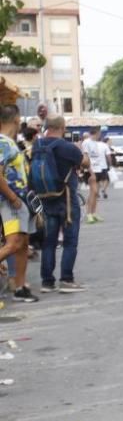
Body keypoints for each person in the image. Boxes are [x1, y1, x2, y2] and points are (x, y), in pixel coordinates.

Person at [35, 116, 86, 293]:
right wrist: (81, 150)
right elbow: (84, 163)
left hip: (46, 199)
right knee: (70, 241)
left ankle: (47, 282)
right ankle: (66, 279)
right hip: (67, 200)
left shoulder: (37, 145)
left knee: (49, 242)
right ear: (62, 128)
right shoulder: (68, 147)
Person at [0, 105, 36, 302]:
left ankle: (20, 287)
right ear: (16, 119)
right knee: (13, 244)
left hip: (20, 200)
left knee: (23, 244)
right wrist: (13, 198)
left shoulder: (9, 143)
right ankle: (19, 286)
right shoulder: (3, 143)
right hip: (11, 201)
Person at [80, 131, 107, 223]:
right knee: (93, 192)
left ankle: (94, 213)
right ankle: (89, 214)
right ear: (96, 133)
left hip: (98, 169)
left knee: (96, 193)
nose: (100, 135)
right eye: (99, 133)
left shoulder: (95, 143)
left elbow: (97, 158)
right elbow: (86, 158)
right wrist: (91, 172)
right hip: (91, 170)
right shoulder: (86, 142)